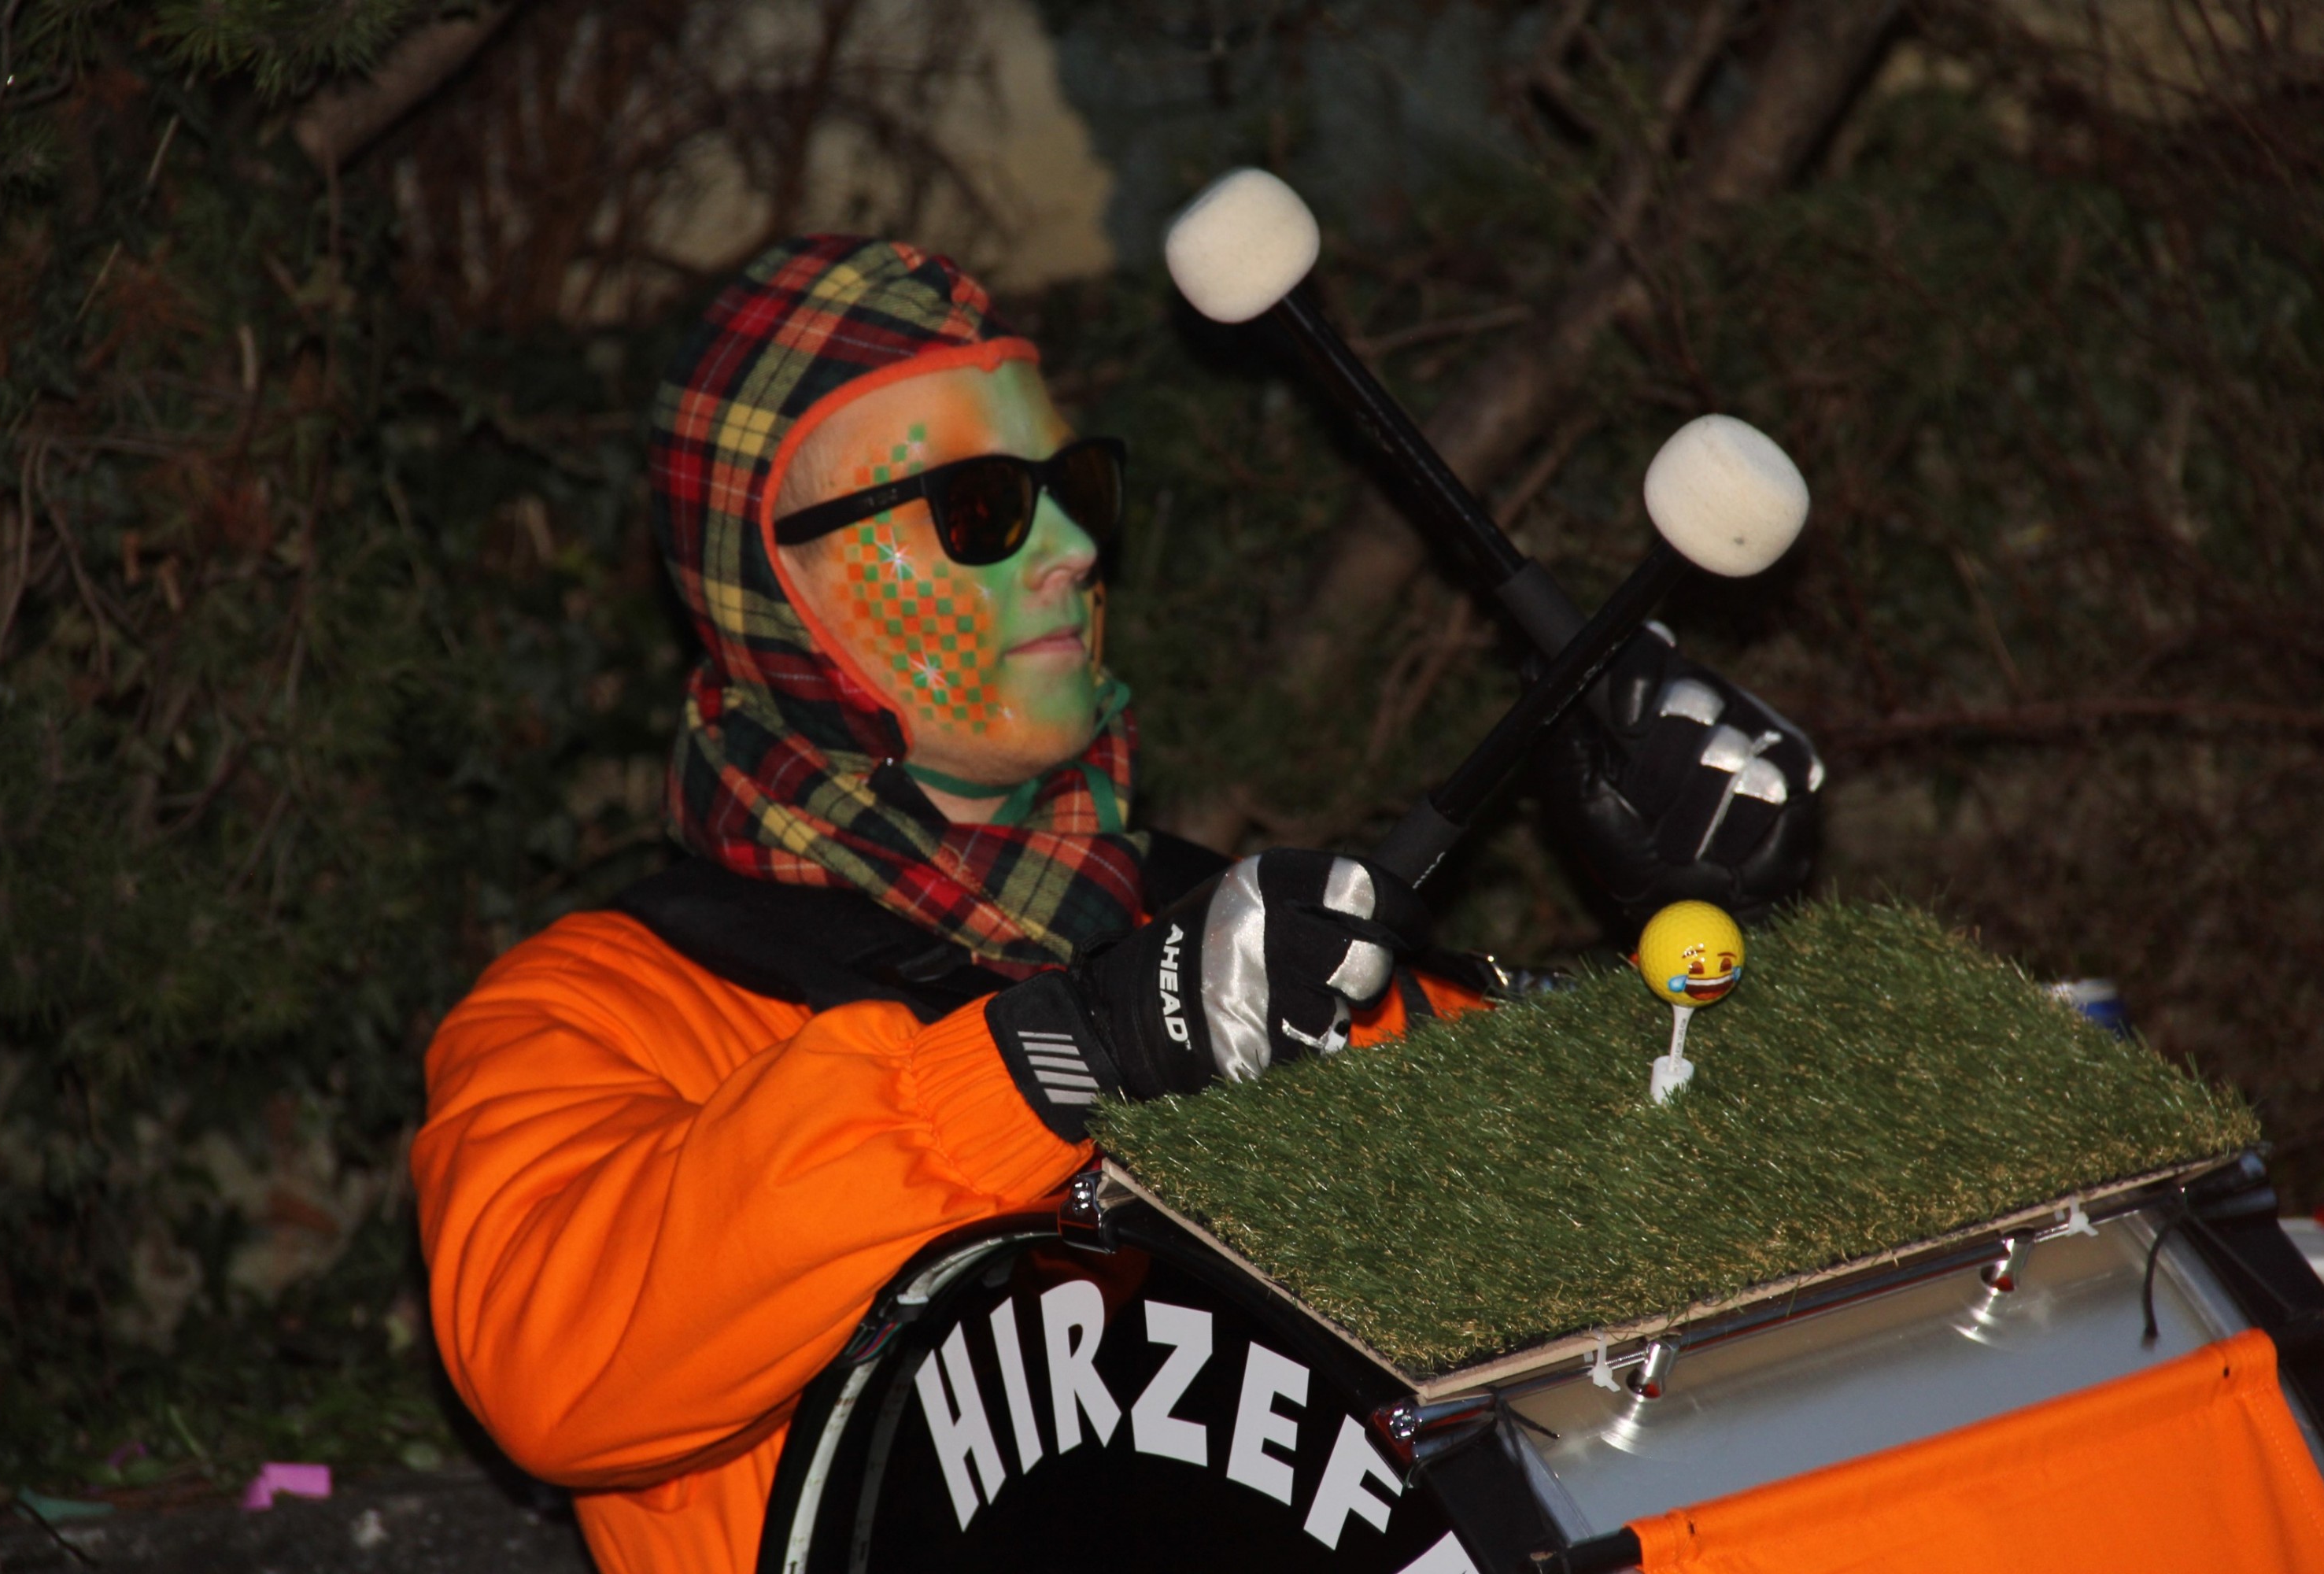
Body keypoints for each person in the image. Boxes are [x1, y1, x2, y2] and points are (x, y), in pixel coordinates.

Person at [410, 236, 1818, 1574]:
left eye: (1073, 486)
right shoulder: (603, 1007)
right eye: (980, 508)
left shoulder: (1223, 941)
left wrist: (1696, 946)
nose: (1075, 548)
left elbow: (1667, 1270)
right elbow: (555, 1360)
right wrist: (1067, 1050)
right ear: (770, 579)